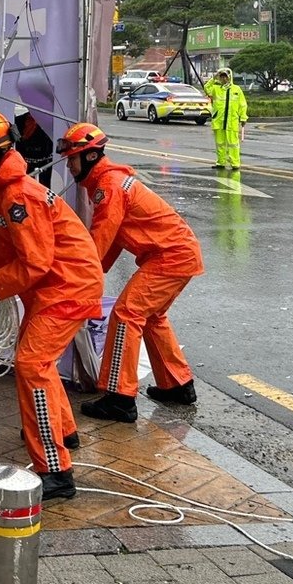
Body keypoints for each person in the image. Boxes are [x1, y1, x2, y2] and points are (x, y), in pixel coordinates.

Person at [0, 107, 103, 501]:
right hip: (57, 285)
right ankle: (62, 430)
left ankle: (54, 469)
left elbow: (35, 263)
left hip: (66, 286)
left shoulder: (18, 195)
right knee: (39, 361)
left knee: (32, 364)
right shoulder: (1, 191)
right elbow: (0, 252)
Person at [56, 123, 203, 423]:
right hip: (177, 253)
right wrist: (93, 273)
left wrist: (78, 276)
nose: (69, 165)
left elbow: (101, 237)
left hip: (169, 256)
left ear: (91, 157)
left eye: (72, 158)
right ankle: (177, 384)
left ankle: (120, 398)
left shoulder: (108, 187)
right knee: (151, 317)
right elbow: (112, 241)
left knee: (126, 314)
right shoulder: (109, 182)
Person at [203, 67, 248, 170]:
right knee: (220, 144)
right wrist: (213, 78)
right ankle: (221, 163)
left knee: (233, 144)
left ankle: (235, 164)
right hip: (219, 121)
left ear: (229, 77)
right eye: (221, 77)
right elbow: (206, 88)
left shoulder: (236, 90)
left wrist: (243, 117)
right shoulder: (215, 89)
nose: (223, 79)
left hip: (232, 121)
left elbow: (242, 105)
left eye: (225, 77)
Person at [12, 104, 54, 189]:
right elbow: (14, 141)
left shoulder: (54, 124)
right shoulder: (17, 122)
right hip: (24, 168)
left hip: (48, 168)